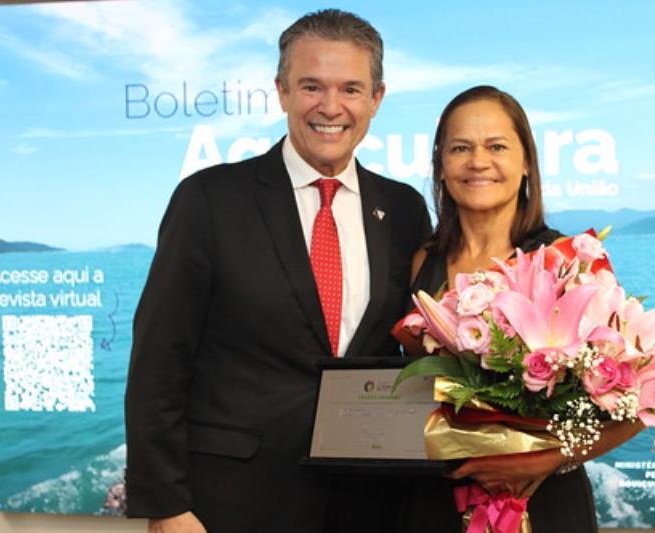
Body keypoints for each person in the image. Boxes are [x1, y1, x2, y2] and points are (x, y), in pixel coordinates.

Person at [124, 9, 431, 533]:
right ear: (281, 91)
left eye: (351, 89)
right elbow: (159, 361)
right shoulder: (210, 199)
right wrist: (167, 505)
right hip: (230, 503)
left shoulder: (404, 209)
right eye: (311, 86)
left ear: (376, 99)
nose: (330, 107)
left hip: (366, 503)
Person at [406, 85, 644, 532]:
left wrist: (545, 460)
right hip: (434, 500)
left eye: (497, 146)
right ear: (440, 165)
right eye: (460, 148)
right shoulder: (423, 262)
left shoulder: (569, 260)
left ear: (526, 162)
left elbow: (638, 407)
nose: (478, 161)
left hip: (543, 502)